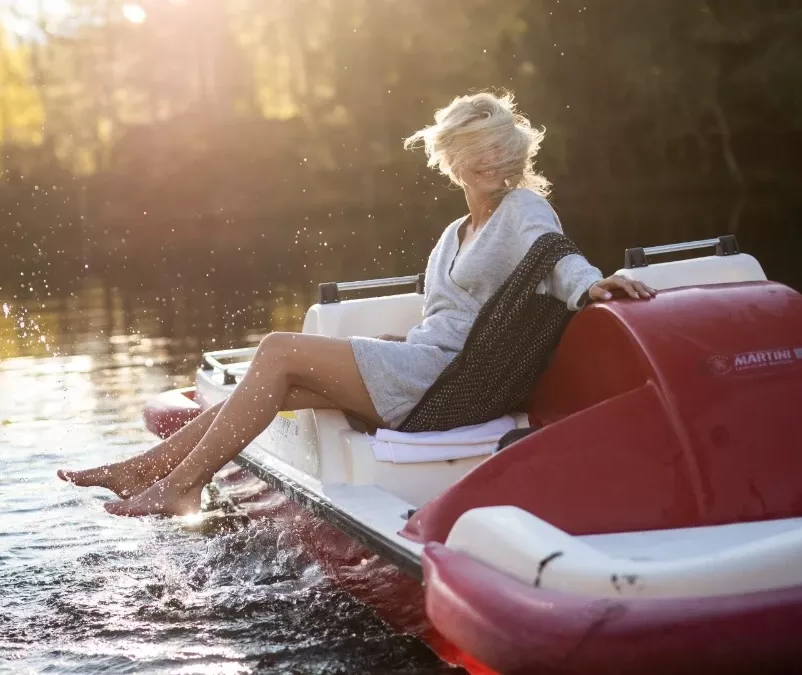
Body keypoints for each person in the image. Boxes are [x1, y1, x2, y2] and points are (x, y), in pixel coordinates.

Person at [59, 91, 656, 517]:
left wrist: (592, 285)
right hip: (425, 363)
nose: (498, 164)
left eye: (506, 152)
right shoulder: (456, 231)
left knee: (276, 350)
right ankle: (146, 469)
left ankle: (180, 484)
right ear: (453, 159)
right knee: (277, 386)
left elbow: (557, 256)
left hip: (448, 383)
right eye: (482, 152)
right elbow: (444, 314)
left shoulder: (523, 211)